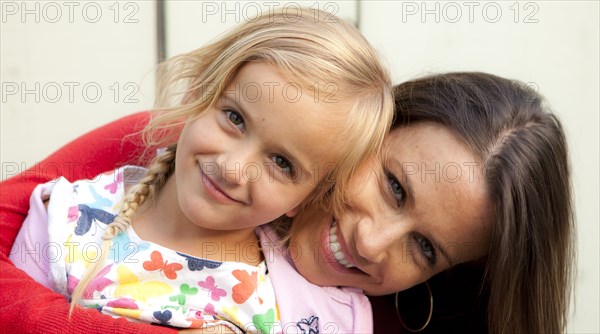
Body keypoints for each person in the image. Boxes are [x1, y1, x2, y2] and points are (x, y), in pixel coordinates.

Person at [1, 72, 573, 334]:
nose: (369, 243)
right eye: (393, 187)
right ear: (368, 132)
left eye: (424, 248)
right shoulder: (196, 156)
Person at [7, 7, 393, 333]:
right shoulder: (65, 220)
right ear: (198, 92)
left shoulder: (303, 310)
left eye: (282, 163)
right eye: (234, 118)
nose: (233, 168)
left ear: (307, 198)